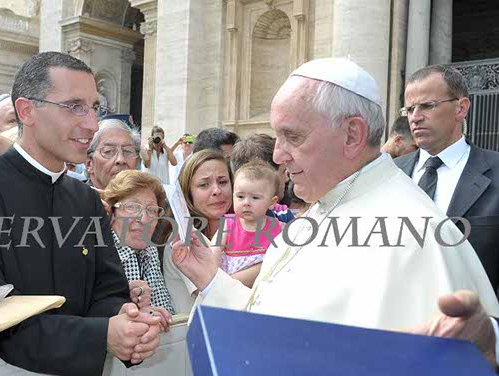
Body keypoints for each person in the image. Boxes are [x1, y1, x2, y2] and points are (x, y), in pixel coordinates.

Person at [171, 58, 499, 357]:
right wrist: (212, 280)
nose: (278, 155)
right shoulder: (321, 206)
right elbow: (277, 324)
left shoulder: (417, 234)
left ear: (352, 135)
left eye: (292, 137)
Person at [0, 52, 163, 376]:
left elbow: (107, 290)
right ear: (27, 111)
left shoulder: (85, 199)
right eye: (74, 107)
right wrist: (101, 335)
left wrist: (127, 319)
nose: (92, 124)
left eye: (94, 108)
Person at [395, 64, 499, 295]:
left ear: (461, 108)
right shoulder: (389, 173)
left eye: (427, 106)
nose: (415, 118)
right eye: (409, 109)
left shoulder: (495, 171)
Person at [158, 149, 233, 314]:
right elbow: (214, 288)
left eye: (222, 182)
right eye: (204, 185)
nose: (217, 191)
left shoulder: (240, 228)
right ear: (188, 193)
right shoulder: (182, 237)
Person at [103, 170, 175, 315]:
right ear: (112, 211)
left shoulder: (150, 250)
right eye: (132, 207)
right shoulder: (98, 254)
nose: (144, 219)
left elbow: (166, 310)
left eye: (152, 210)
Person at [214, 161, 281, 283]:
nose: (246, 203)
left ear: (271, 202)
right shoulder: (228, 224)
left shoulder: (278, 228)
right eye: (240, 197)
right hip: (228, 286)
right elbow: (212, 255)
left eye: (255, 197)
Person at [230, 134, 295, 223]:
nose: (287, 179)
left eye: (255, 197)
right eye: (283, 171)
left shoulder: (283, 215)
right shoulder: (228, 224)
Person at [86, 118, 141, 190]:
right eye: (108, 151)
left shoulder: (149, 196)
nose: (120, 160)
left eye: (128, 151)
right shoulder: (76, 196)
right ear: (89, 164)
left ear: (137, 161)